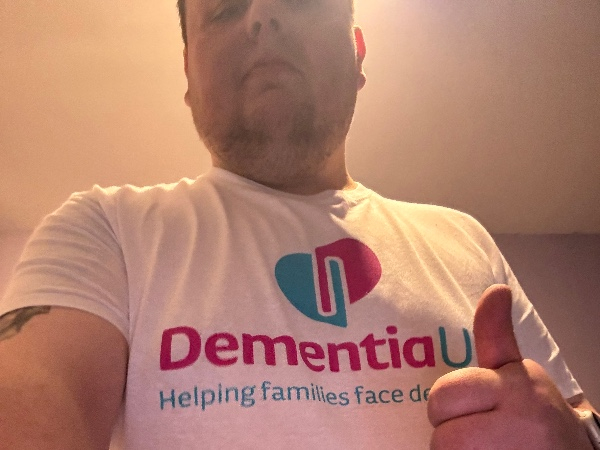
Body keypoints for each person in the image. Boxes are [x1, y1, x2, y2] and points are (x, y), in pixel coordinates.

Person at [0, 0, 597, 448]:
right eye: (225, 9)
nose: (262, 15)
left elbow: (577, 415)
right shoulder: (104, 231)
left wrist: (577, 439)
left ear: (358, 53)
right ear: (188, 73)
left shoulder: (464, 241)